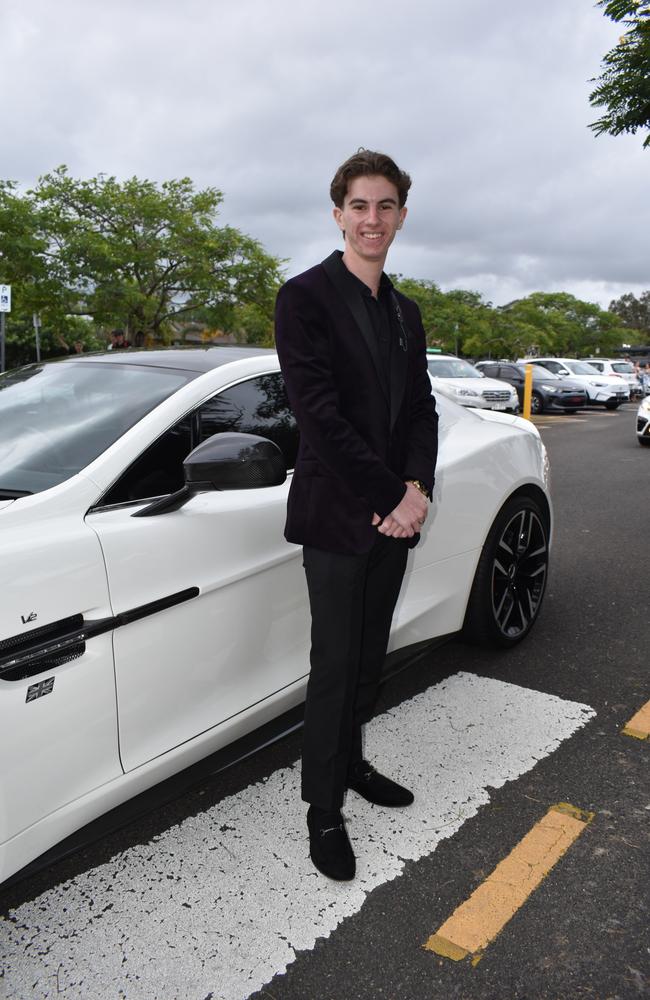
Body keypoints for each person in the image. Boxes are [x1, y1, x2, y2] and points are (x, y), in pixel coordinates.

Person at [274, 150, 439, 881]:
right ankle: (323, 809)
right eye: (359, 206)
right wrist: (390, 498)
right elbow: (320, 418)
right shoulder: (304, 298)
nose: (373, 220)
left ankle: (353, 764)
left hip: (396, 516)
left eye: (386, 206)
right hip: (342, 519)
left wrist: (418, 487)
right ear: (337, 213)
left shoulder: (405, 311)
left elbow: (422, 410)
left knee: (372, 659)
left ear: (402, 214)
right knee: (336, 667)